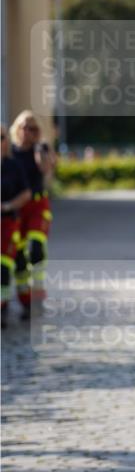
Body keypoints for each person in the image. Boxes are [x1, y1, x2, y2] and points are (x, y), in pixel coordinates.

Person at [9, 111, 56, 318]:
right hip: (18, 208)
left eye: (33, 129)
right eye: (24, 127)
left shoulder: (41, 148)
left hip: (37, 205)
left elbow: (46, 169)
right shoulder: (9, 152)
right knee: (18, 258)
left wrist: (40, 149)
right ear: (16, 129)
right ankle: (25, 300)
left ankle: (38, 295)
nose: (27, 132)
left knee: (37, 251)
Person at [1, 124, 31, 328]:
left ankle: (9, 307)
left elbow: (26, 193)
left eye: (1, 137)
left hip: (9, 222)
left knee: (6, 266)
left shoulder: (13, 165)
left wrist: (8, 205)